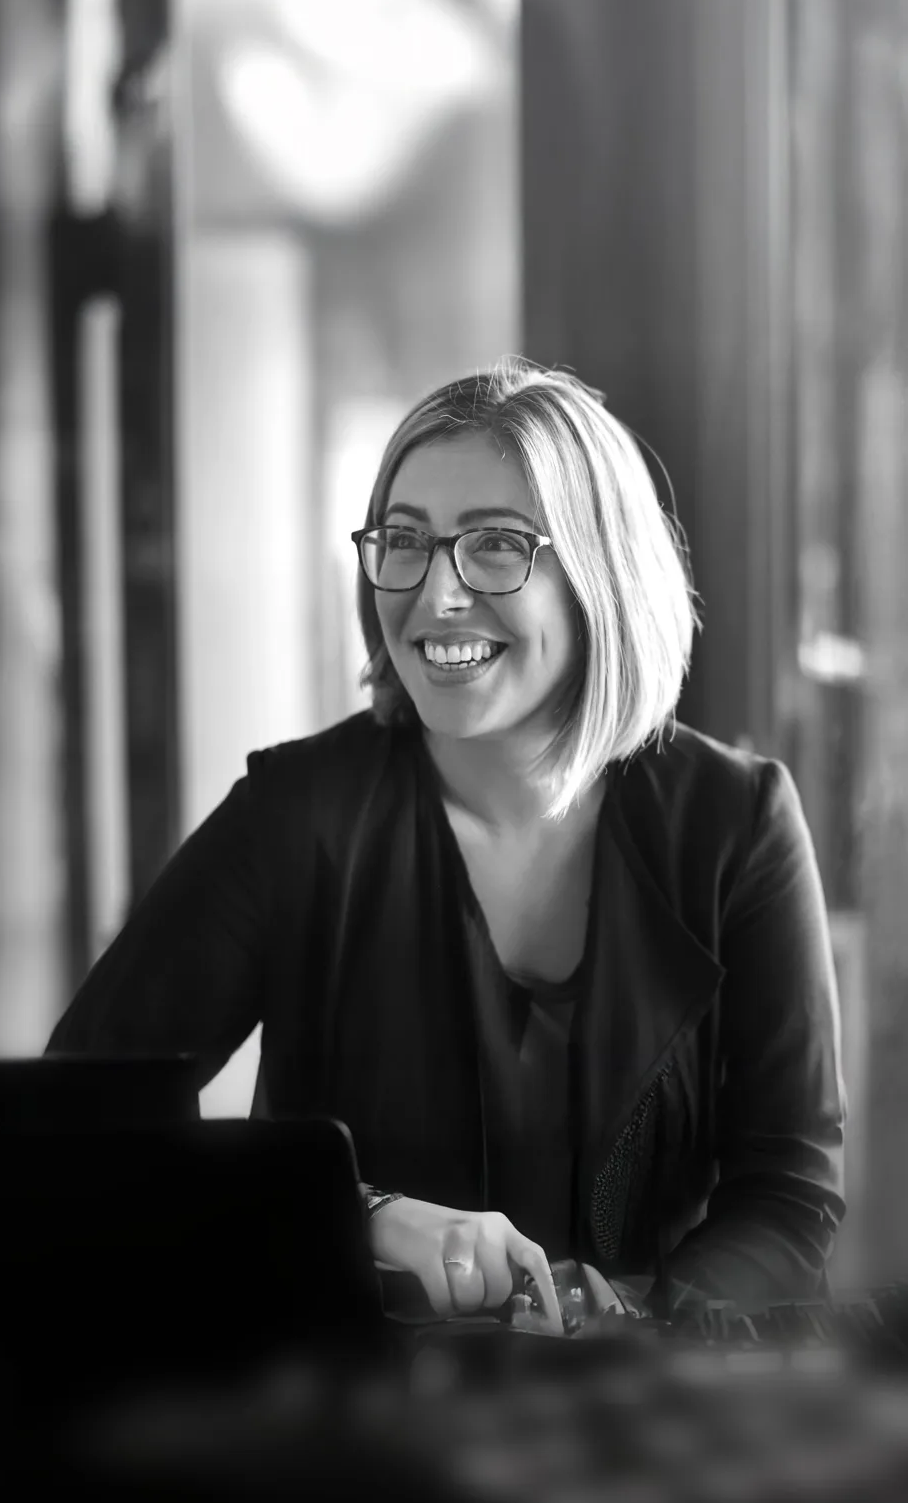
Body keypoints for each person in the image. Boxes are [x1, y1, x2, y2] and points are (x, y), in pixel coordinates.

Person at [47, 356, 846, 1324]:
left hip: (653, 1421)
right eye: (406, 542)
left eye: (498, 547)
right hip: (347, 1428)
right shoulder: (294, 818)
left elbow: (790, 1192)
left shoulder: (740, 824)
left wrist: (641, 1329)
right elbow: (77, 1128)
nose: (435, 597)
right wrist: (365, 1215)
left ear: (600, 573)